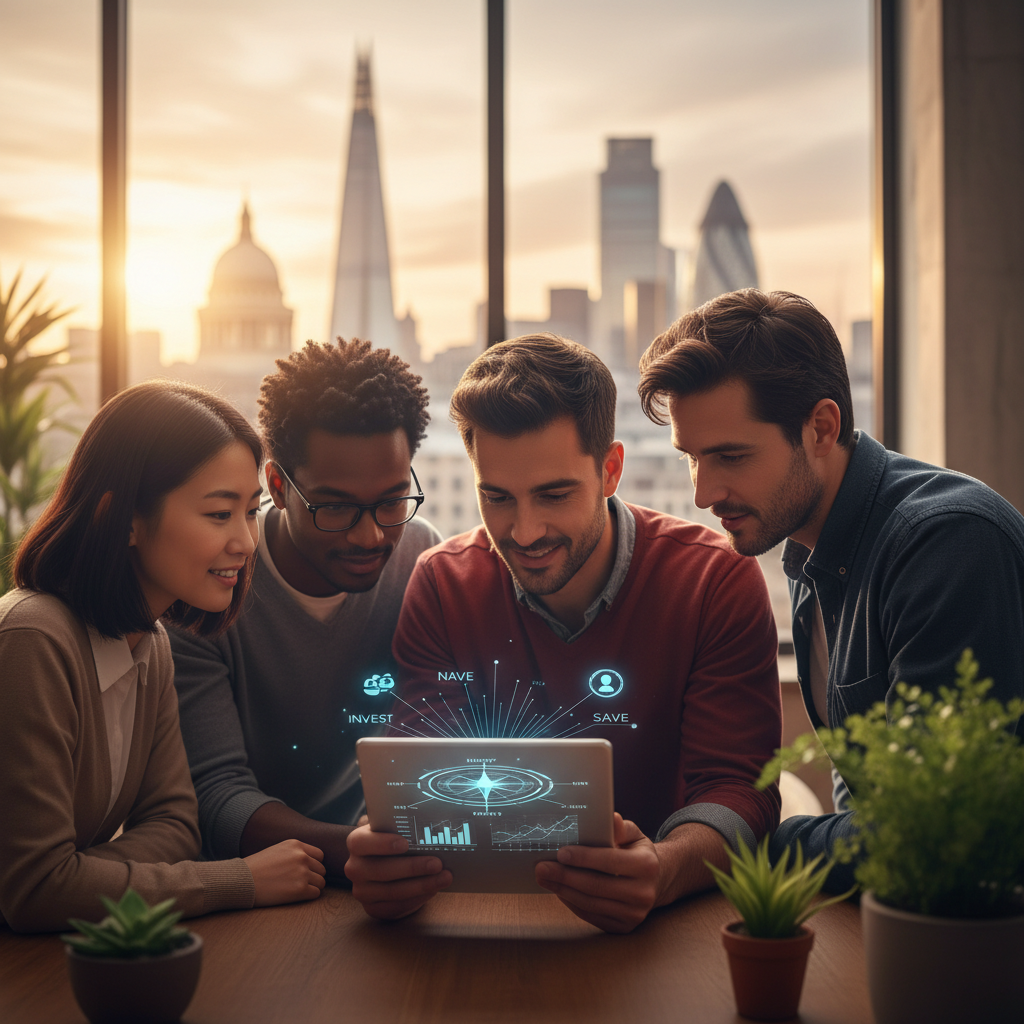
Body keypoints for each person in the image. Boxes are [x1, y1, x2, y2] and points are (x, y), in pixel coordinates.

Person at [345, 333, 782, 933]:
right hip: (479, 923)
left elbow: (739, 789)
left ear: (610, 470)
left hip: (668, 931)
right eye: (496, 497)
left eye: (553, 495)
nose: (524, 532)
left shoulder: (714, 580)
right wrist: (387, 859)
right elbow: (418, 781)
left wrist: (665, 867)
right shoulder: (443, 583)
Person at [636, 288, 1024, 885]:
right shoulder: (810, 549)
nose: (702, 493)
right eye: (691, 458)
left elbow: (921, 826)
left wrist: (725, 849)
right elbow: (866, 786)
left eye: (730, 457)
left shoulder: (947, 543)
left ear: (821, 426)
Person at [0, 381, 326, 933]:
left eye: (251, 512)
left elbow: (177, 826)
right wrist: (239, 880)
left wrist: (76, 879)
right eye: (220, 514)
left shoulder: (150, 644)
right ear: (123, 518)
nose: (247, 543)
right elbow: (36, 891)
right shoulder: (34, 639)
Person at [169, 339, 442, 881]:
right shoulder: (206, 590)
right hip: (248, 889)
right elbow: (217, 798)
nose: (371, 536)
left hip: (384, 866)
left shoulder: (419, 556)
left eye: (391, 501)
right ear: (277, 485)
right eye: (335, 507)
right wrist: (367, 854)